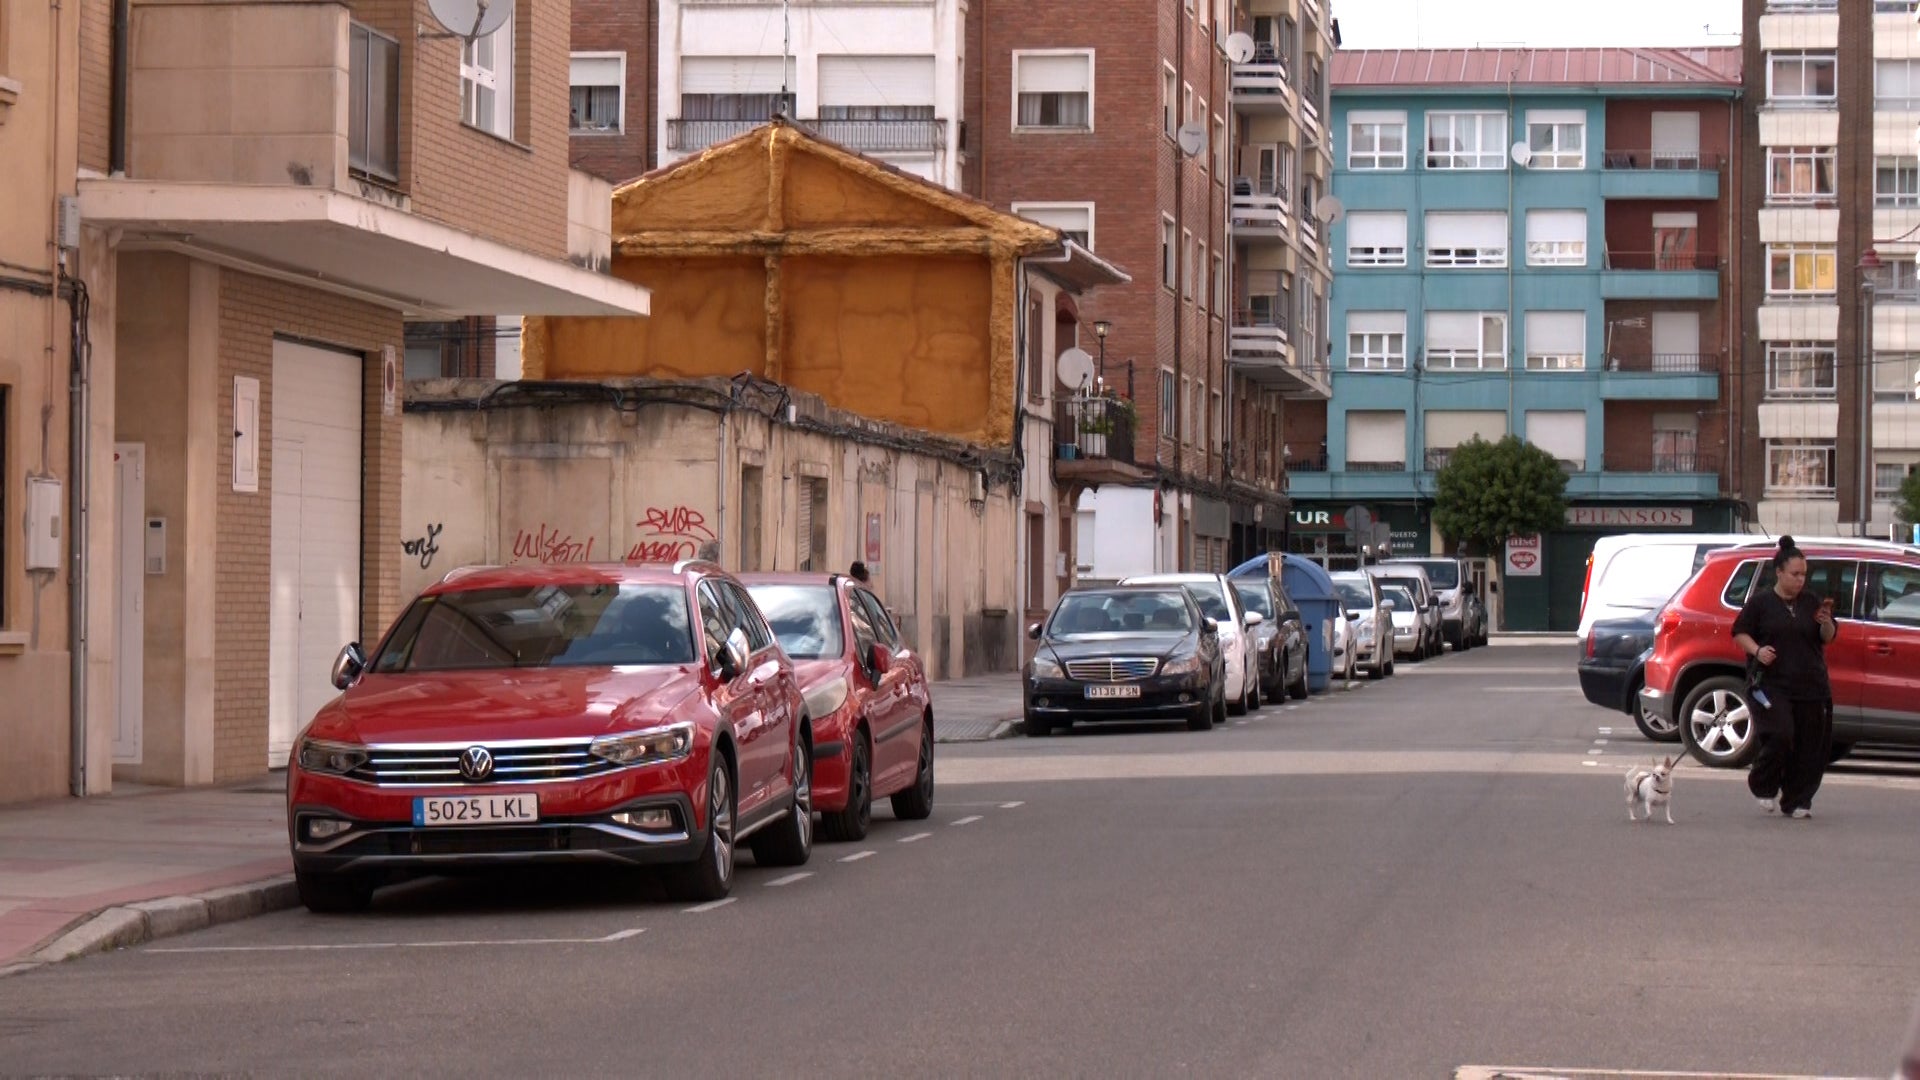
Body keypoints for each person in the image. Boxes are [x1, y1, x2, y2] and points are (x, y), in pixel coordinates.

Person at [1731, 536, 1838, 820]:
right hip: (1772, 683)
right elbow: (1740, 632)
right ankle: (1763, 783)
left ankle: (1797, 799)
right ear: (1779, 572)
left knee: (1809, 746)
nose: (1800, 580)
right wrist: (1757, 650)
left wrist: (1826, 621)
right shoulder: (1761, 603)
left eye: (1804, 574)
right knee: (1780, 733)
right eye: (1795, 574)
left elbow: (1827, 638)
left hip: (1811, 684)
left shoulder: (1812, 602)